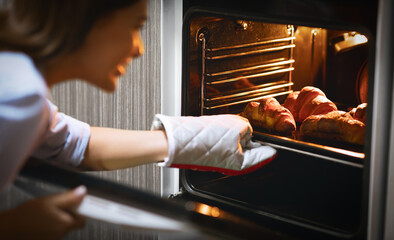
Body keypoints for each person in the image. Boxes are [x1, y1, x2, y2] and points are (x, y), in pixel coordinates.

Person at [0, 0, 276, 239]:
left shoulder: (16, 75)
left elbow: (70, 144)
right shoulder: (19, 95)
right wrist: (15, 226)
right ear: (89, 20)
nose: (139, 48)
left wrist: (194, 138)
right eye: (135, 26)